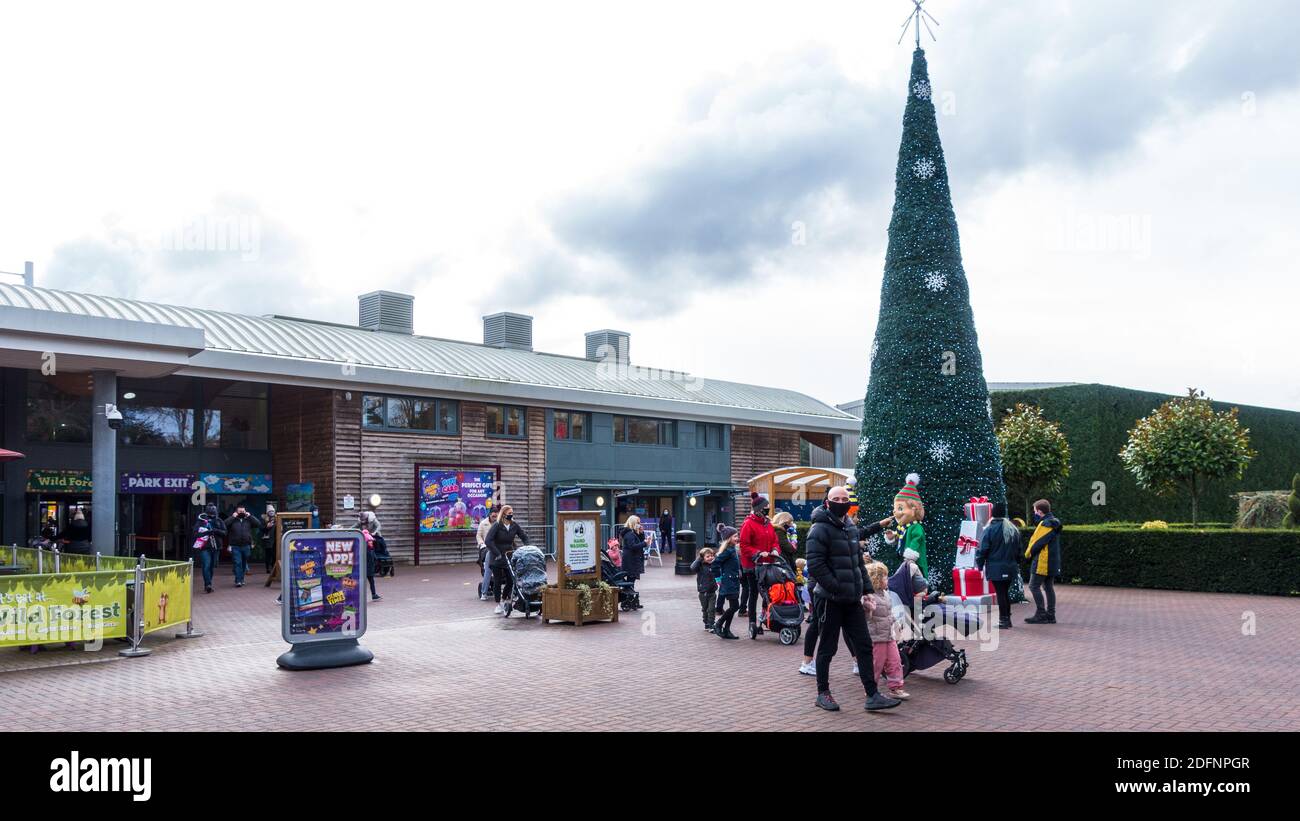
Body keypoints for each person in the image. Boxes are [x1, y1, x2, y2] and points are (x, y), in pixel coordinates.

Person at [805, 485, 900, 712]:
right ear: (827, 502)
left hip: (852, 599)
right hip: (830, 599)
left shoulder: (849, 526)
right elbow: (815, 565)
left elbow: (858, 564)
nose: (841, 501)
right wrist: (837, 588)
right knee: (828, 647)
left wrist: (867, 591)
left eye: (844, 498)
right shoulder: (819, 529)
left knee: (864, 645)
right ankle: (823, 693)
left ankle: (872, 694)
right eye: (836, 498)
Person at [865, 560, 908, 700]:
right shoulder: (869, 596)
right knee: (876, 664)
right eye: (884, 576)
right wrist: (868, 608)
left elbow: (888, 613)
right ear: (876, 579)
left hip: (888, 635)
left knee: (895, 661)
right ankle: (871, 689)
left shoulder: (886, 594)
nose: (887, 579)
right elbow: (866, 616)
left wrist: (896, 622)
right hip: (877, 637)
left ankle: (896, 687)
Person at [975, 502, 1022, 629]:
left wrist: (979, 565)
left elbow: (983, 549)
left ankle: (1004, 620)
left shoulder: (989, 529)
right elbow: (1019, 550)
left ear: (993, 514)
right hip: (1010, 566)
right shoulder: (1013, 529)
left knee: (1001, 593)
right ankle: (1007, 619)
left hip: (996, 567)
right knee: (1005, 592)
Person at [738, 492, 778, 636]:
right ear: (759, 509)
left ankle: (763, 618)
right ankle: (752, 622)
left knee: (767, 593)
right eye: (766, 507)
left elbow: (774, 540)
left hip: (768, 563)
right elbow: (744, 545)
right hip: (753, 565)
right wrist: (758, 553)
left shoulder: (768, 523)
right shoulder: (748, 524)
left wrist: (775, 549)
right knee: (754, 593)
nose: (768, 509)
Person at [1024, 499, 1063, 624]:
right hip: (1052, 561)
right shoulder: (1053, 523)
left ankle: (1041, 614)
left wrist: (1028, 554)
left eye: (1035, 511)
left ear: (1040, 512)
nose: (1034, 513)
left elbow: (1037, 543)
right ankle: (1051, 615)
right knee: (1048, 587)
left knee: (1033, 586)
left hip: (1043, 561)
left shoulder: (1045, 524)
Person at [485, 505, 528, 614]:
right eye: (509, 513)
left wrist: (529, 546)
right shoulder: (497, 525)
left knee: (510, 580)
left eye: (512, 513)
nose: (511, 515)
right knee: (498, 581)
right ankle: (498, 604)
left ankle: (504, 599)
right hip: (496, 557)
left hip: (509, 556)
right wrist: (497, 553)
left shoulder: (514, 525)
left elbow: (523, 536)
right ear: (503, 514)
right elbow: (488, 541)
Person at [711, 526, 741, 639]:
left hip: (734, 581)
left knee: (734, 606)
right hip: (729, 582)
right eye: (735, 536)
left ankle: (727, 629)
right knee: (735, 606)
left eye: (737, 536)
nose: (737, 538)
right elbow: (715, 564)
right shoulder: (728, 550)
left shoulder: (732, 549)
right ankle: (718, 624)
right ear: (728, 538)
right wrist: (718, 579)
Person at [192, 504, 226, 594]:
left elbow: (224, 533)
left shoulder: (219, 521)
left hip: (216, 546)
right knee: (206, 565)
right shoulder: (201, 521)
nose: (212, 514)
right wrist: (206, 531)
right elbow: (195, 533)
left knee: (212, 566)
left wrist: (215, 530)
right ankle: (208, 584)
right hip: (205, 547)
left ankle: (208, 583)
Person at [224, 504, 260, 588]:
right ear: (236, 512)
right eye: (240, 511)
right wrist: (232, 517)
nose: (242, 513)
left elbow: (258, 524)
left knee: (244, 563)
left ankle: (242, 579)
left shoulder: (248, 520)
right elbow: (224, 524)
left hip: (246, 545)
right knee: (237, 563)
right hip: (235, 546)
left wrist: (250, 516)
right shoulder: (233, 520)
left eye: (243, 511)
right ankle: (238, 580)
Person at [619, 516, 647, 606]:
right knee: (631, 579)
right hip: (630, 561)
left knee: (631, 580)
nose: (639, 525)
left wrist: (642, 533)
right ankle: (629, 600)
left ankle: (631, 600)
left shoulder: (632, 533)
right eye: (638, 523)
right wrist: (645, 543)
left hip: (632, 559)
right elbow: (633, 546)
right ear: (633, 523)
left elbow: (638, 542)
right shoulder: (629, 534)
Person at [690, 546, 718, 632]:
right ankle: (706, 623)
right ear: (703, 557)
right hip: (703, 592)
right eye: (708, 556)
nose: (710, 558)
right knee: (705, 609)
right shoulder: (700, 566)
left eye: (712, 556)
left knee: (711, 609)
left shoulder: (714, 565)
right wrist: (699, 559)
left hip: (712, 592)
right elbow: (692, 568)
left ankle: (711, 624)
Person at [360, 511, 385, 601]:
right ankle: (369, 595)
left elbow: (379, 526)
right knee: (366, 582)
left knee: (371, 581)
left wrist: (374, 533)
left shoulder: (373, 520)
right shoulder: (367, 549)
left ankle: (374, 595)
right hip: (367, 570)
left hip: (368, 569)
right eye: (370, 541)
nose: (371, 542)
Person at [476, 510, 499, 601]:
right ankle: (484, 592)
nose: (494, 517)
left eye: (496, 516)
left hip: (498, 548)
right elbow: (479, 536)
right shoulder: (483, 523)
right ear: (490, 515)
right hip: (487, 548)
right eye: (493, 516)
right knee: (488, 570)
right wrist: (481, 543)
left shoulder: (499, 523)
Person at [261, 504, 277, 572]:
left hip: (276, 539)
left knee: (274, 554)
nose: (271, 513)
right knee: (268, 554)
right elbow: (261, 529)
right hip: (268, 539)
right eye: (270, 511)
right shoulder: (264, 519)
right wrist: (267, 527)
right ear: (267, 512)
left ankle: (274, 567)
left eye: (272, 511)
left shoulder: (277, 519)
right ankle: (268, 568)